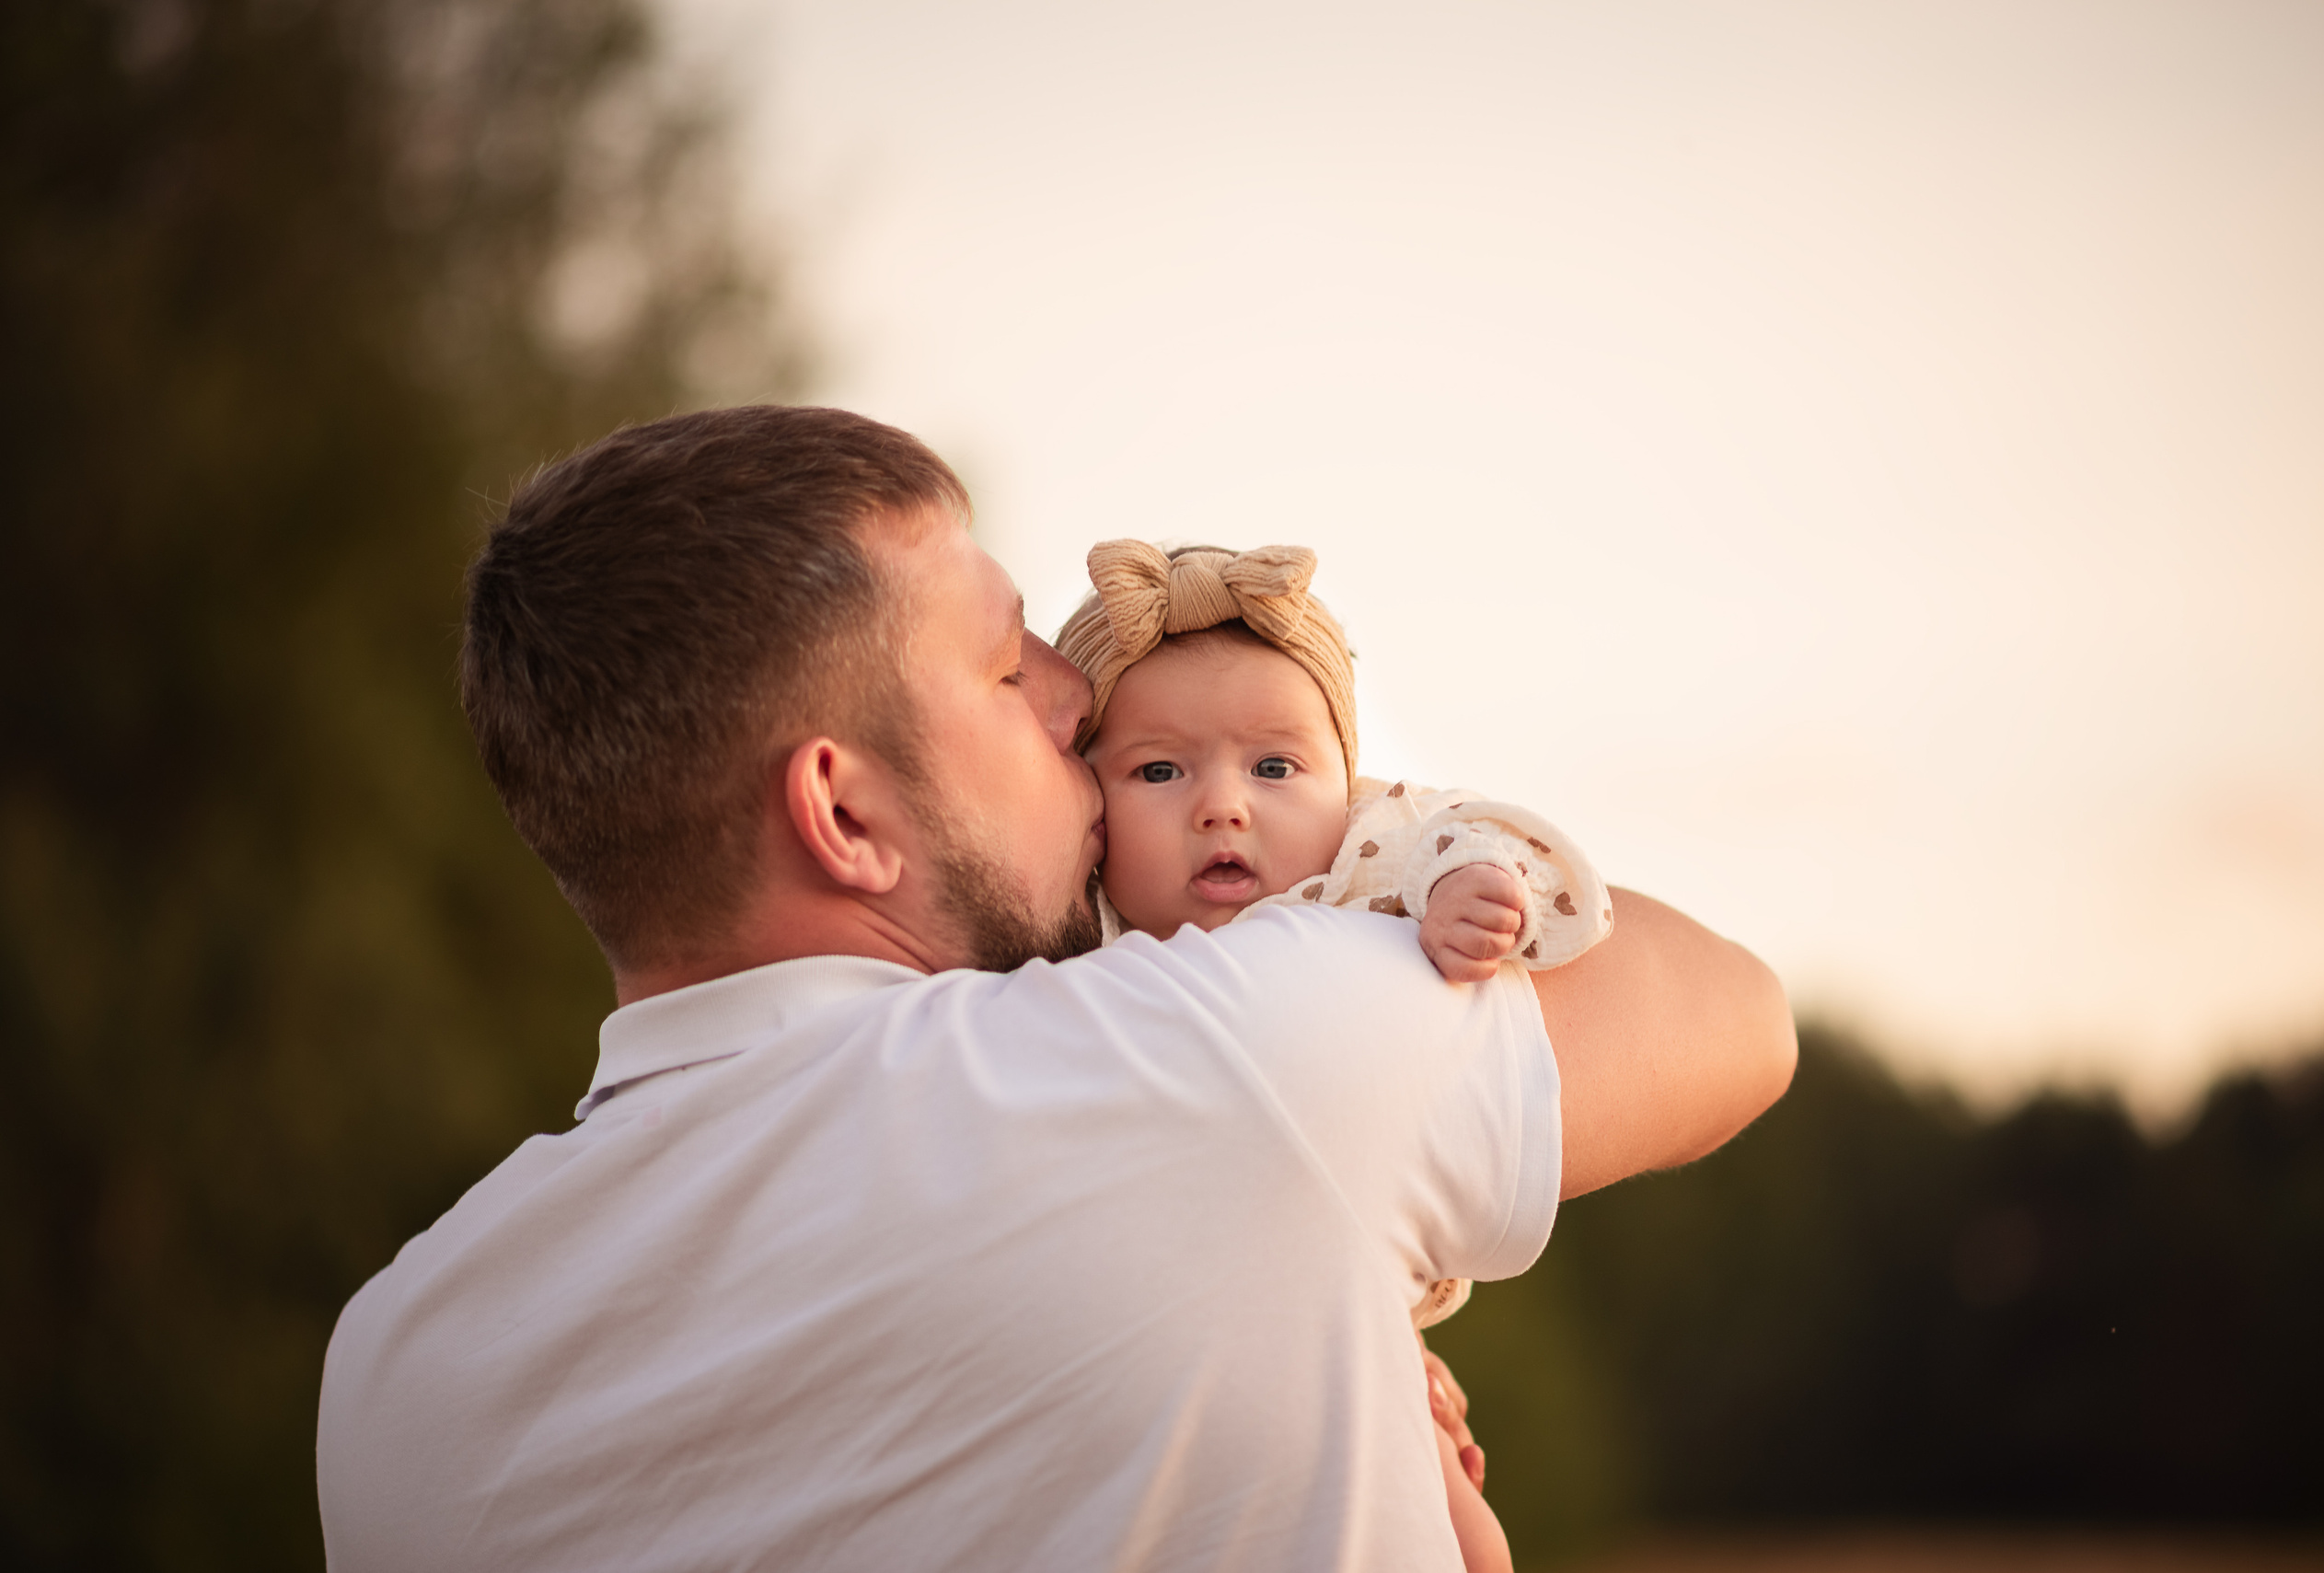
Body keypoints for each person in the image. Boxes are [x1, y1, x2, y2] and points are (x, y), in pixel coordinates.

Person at [315, 405, 1797, 1572]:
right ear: (844, 813)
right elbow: (1733, 1015)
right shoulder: (1224, 1052)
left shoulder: (392, 1373)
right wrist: (1381, 839)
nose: (1076, 693)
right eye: (1000, 667)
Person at [1058, 538, 1621, 1569]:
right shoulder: (1075, 935)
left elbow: (1477, 836)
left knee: (1466, 1536)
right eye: (1158, 769)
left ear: (1347, 784)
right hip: (1163, 1309)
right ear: (1084, 805)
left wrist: (1466, 889)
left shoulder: (1363, 864)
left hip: (1344, 1289)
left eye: (1274, 766)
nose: (1222, 804)